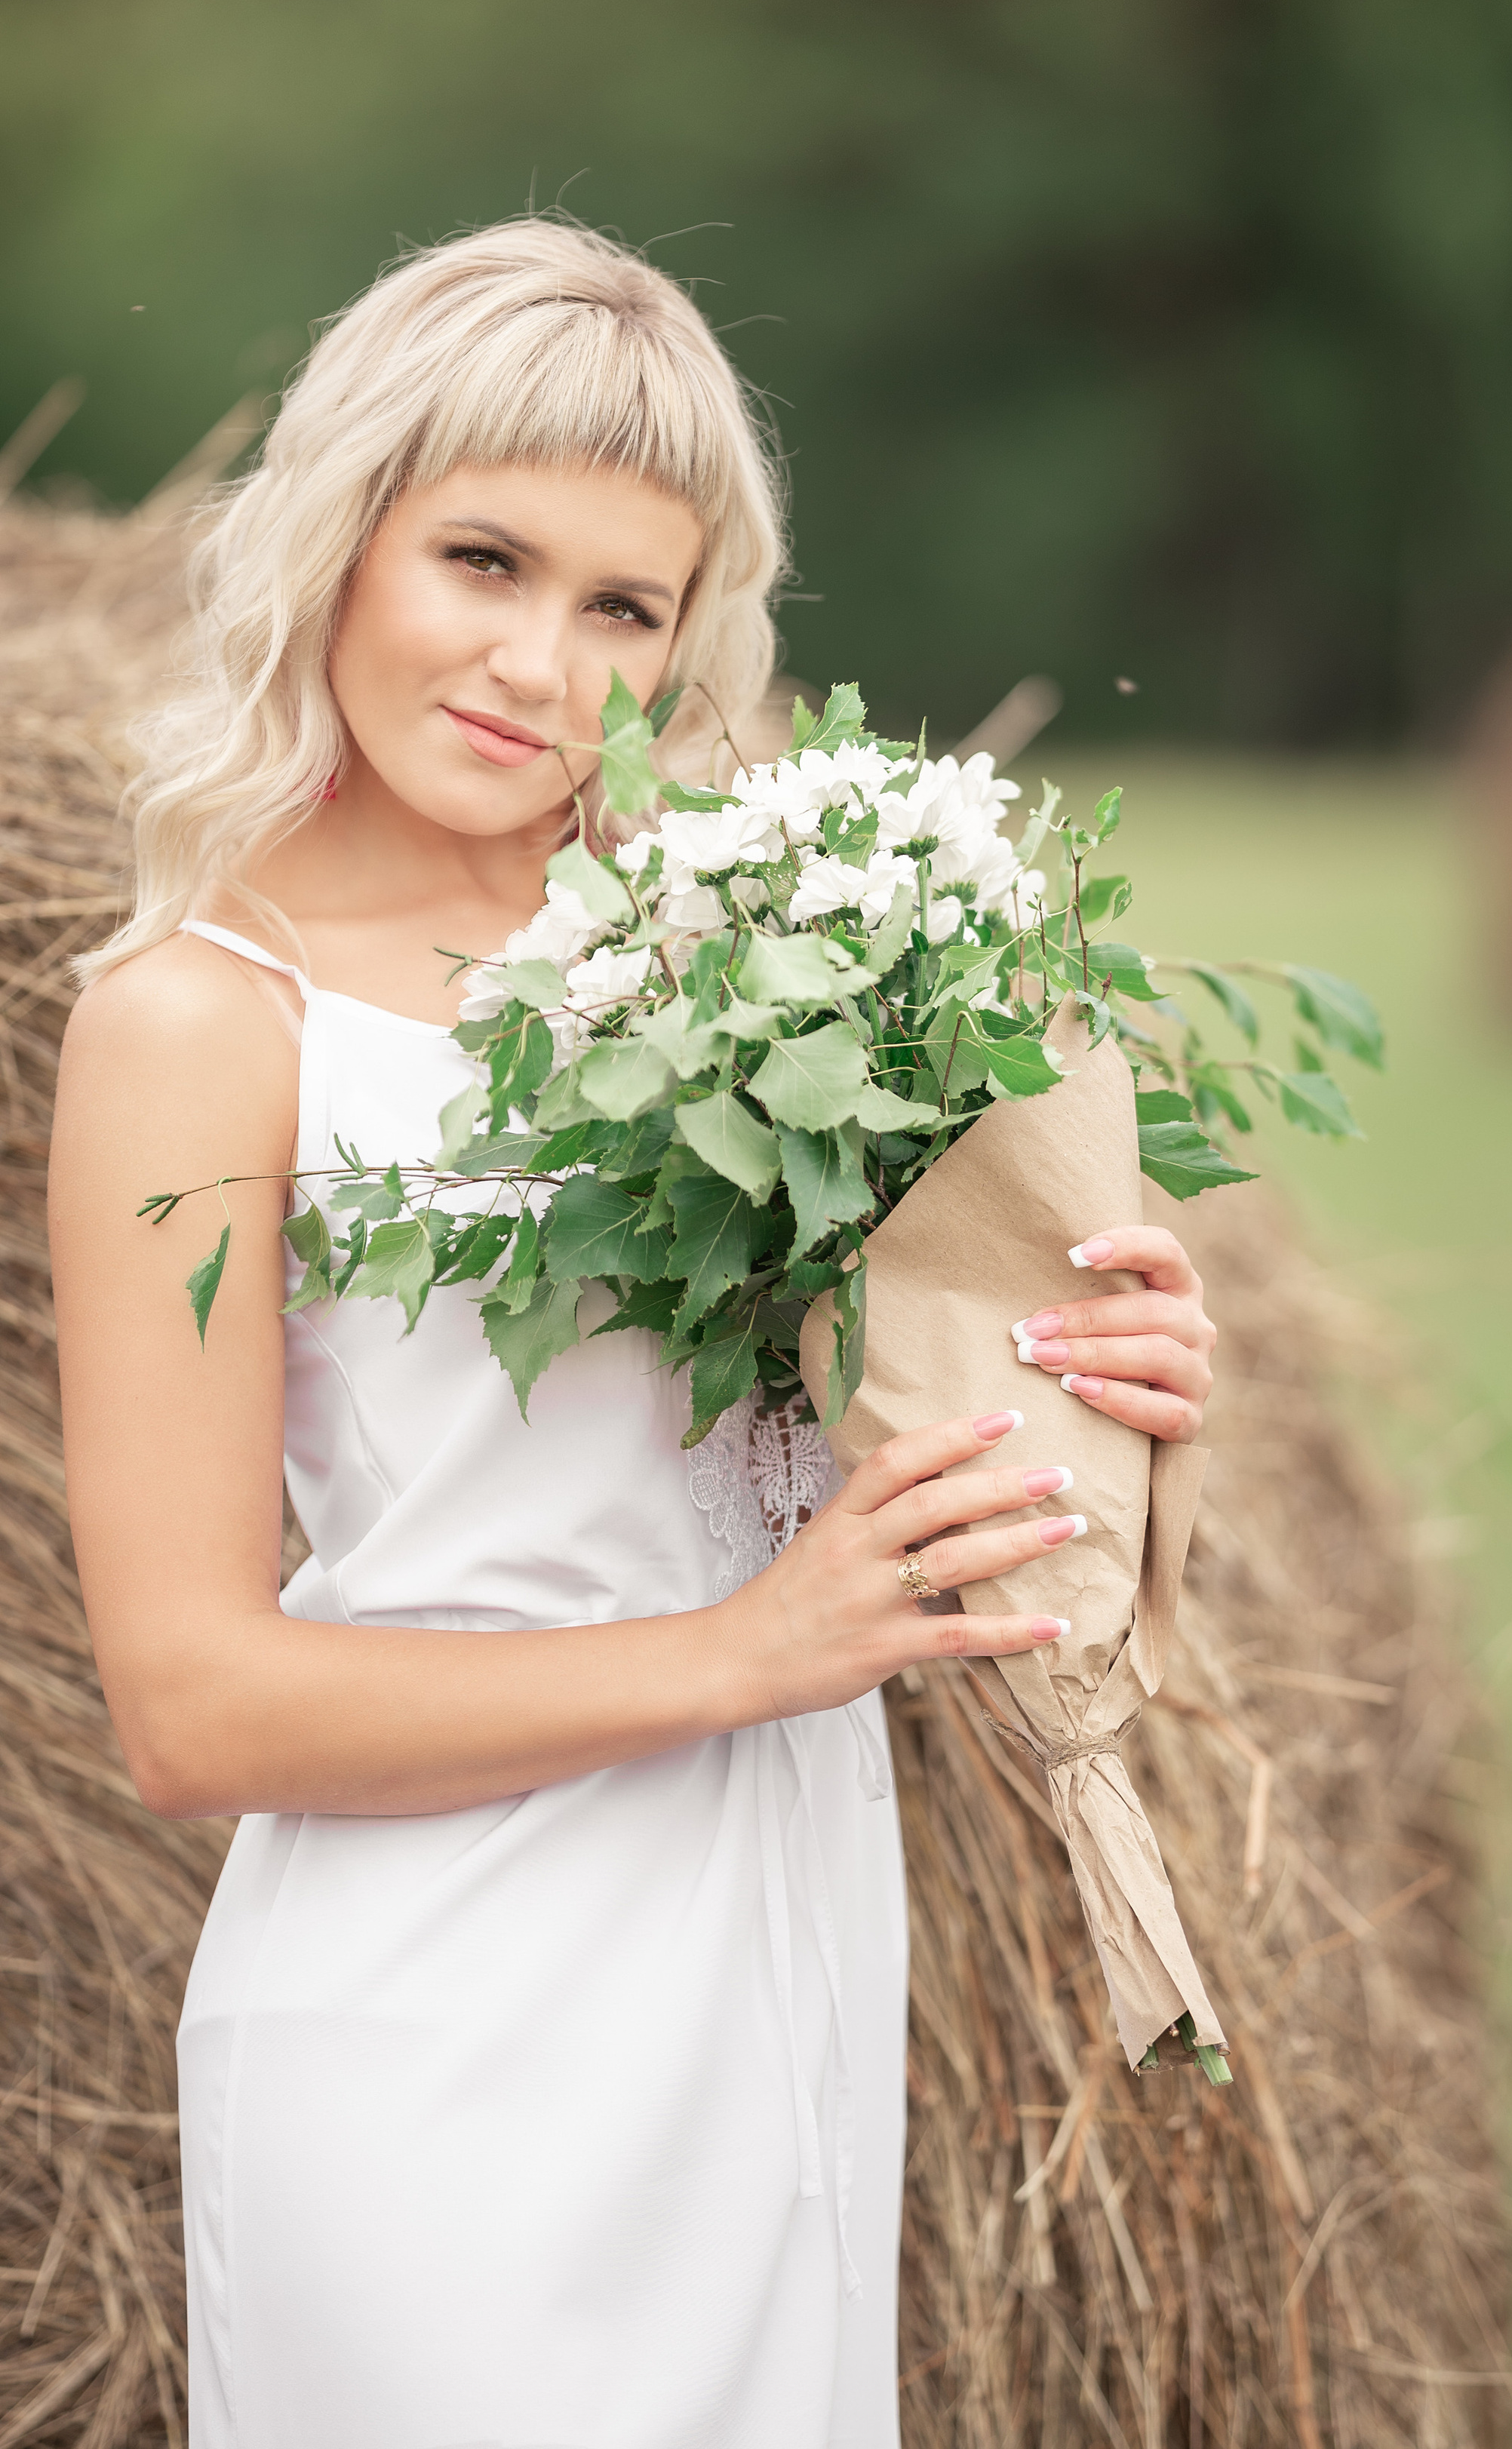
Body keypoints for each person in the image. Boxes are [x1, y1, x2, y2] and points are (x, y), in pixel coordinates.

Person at [47, 220, 1218, 2449]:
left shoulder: (763, 965)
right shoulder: (204, 1022)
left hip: (777, 1971)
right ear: (342, 537)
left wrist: (1117, 1386)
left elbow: (899, 1461)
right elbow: (190, 1710)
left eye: (621, 605)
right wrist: (751, 1654)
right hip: (433, 2032)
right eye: (479, 558)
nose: (531, 663)